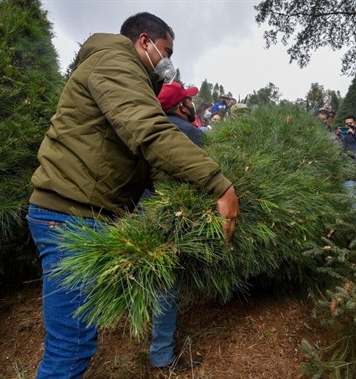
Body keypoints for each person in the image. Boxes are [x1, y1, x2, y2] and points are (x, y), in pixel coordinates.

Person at [26, 12, 239, 378]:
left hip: (79, 214)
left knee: (75, 340)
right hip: (69, 218)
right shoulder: (114, 62)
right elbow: (149, 132)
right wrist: (218, 183)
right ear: (145, 41)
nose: (169, 61)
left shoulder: (126, 73)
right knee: (71, 345)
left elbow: (138, 154)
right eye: (166, 50)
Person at [158, 81, 204, 146]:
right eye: (190, 100)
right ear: (181, 106)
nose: (192, 104)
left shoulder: (158, 125)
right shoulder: (190, 132)